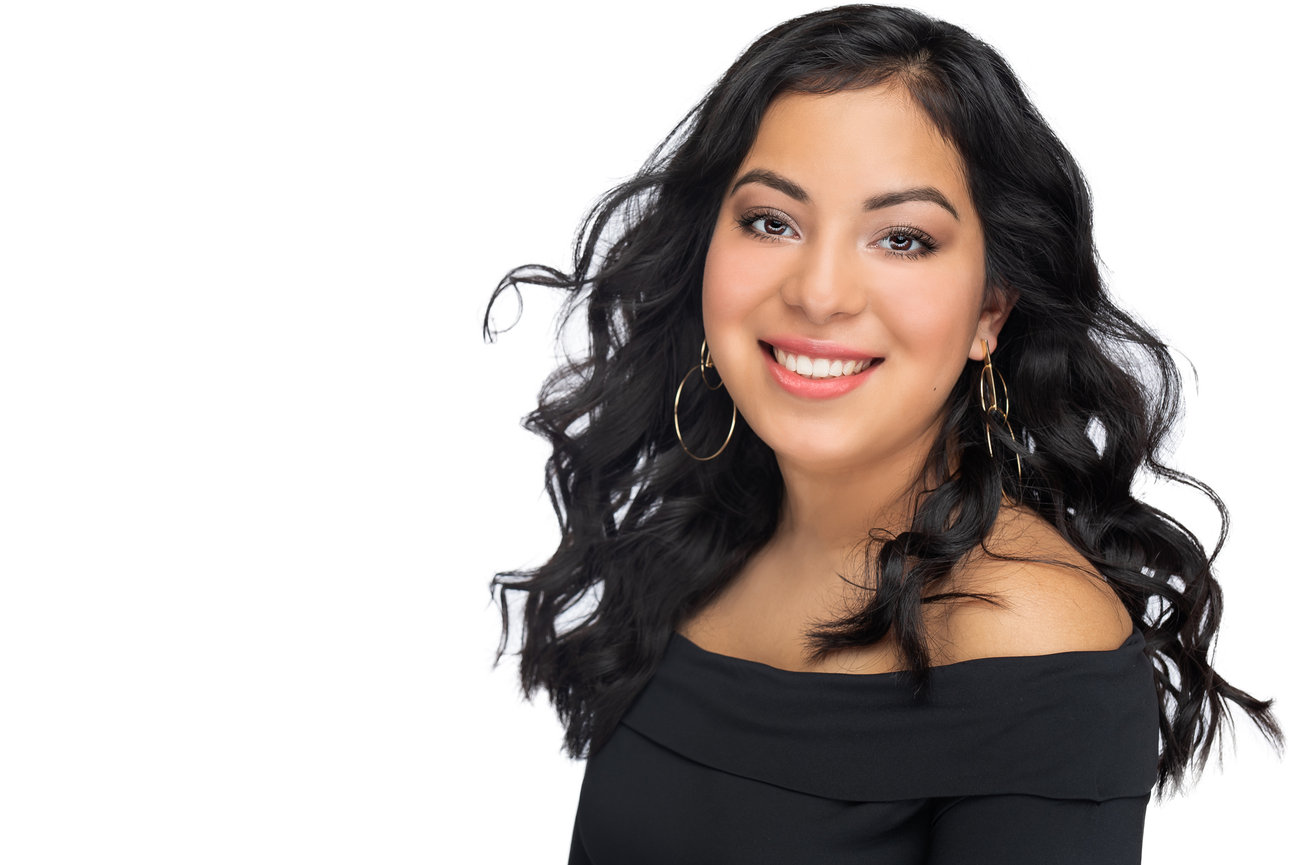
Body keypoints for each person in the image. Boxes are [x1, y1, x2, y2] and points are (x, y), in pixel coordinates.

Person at [484, 5, 1281, 862]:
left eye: (902, 239)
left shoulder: (1025, 628)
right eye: (771, 221)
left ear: (990, 310)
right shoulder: (695, 549)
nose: (820, 293)